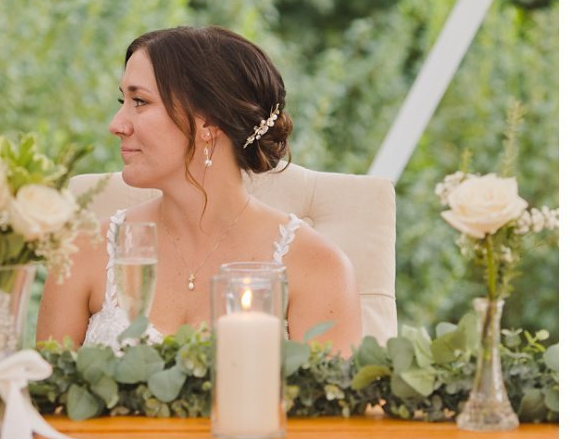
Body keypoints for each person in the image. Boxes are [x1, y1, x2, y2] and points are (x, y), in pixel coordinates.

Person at [36, 26, 362, 355]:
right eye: (124, 100)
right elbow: (42, 401)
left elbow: (332, 405)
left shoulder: (317, 268)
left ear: (208, 123)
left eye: (140, 101)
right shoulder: (83, 254)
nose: (117, 124)